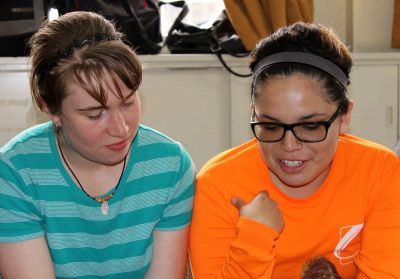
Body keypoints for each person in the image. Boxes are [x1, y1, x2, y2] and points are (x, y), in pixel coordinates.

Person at [189, 22, 400, 278]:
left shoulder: (380, 171)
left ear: (344, 117)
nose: (289, 146)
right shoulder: (218, 184)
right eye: (270, 126)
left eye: (310, 126)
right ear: (253, 115)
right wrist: (255, 237)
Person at [0, 11, 195, 278]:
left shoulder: (170, 166)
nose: (121, 128)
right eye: (95, 114)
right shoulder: (15, 171)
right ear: (50, 109)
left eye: (128, 102)